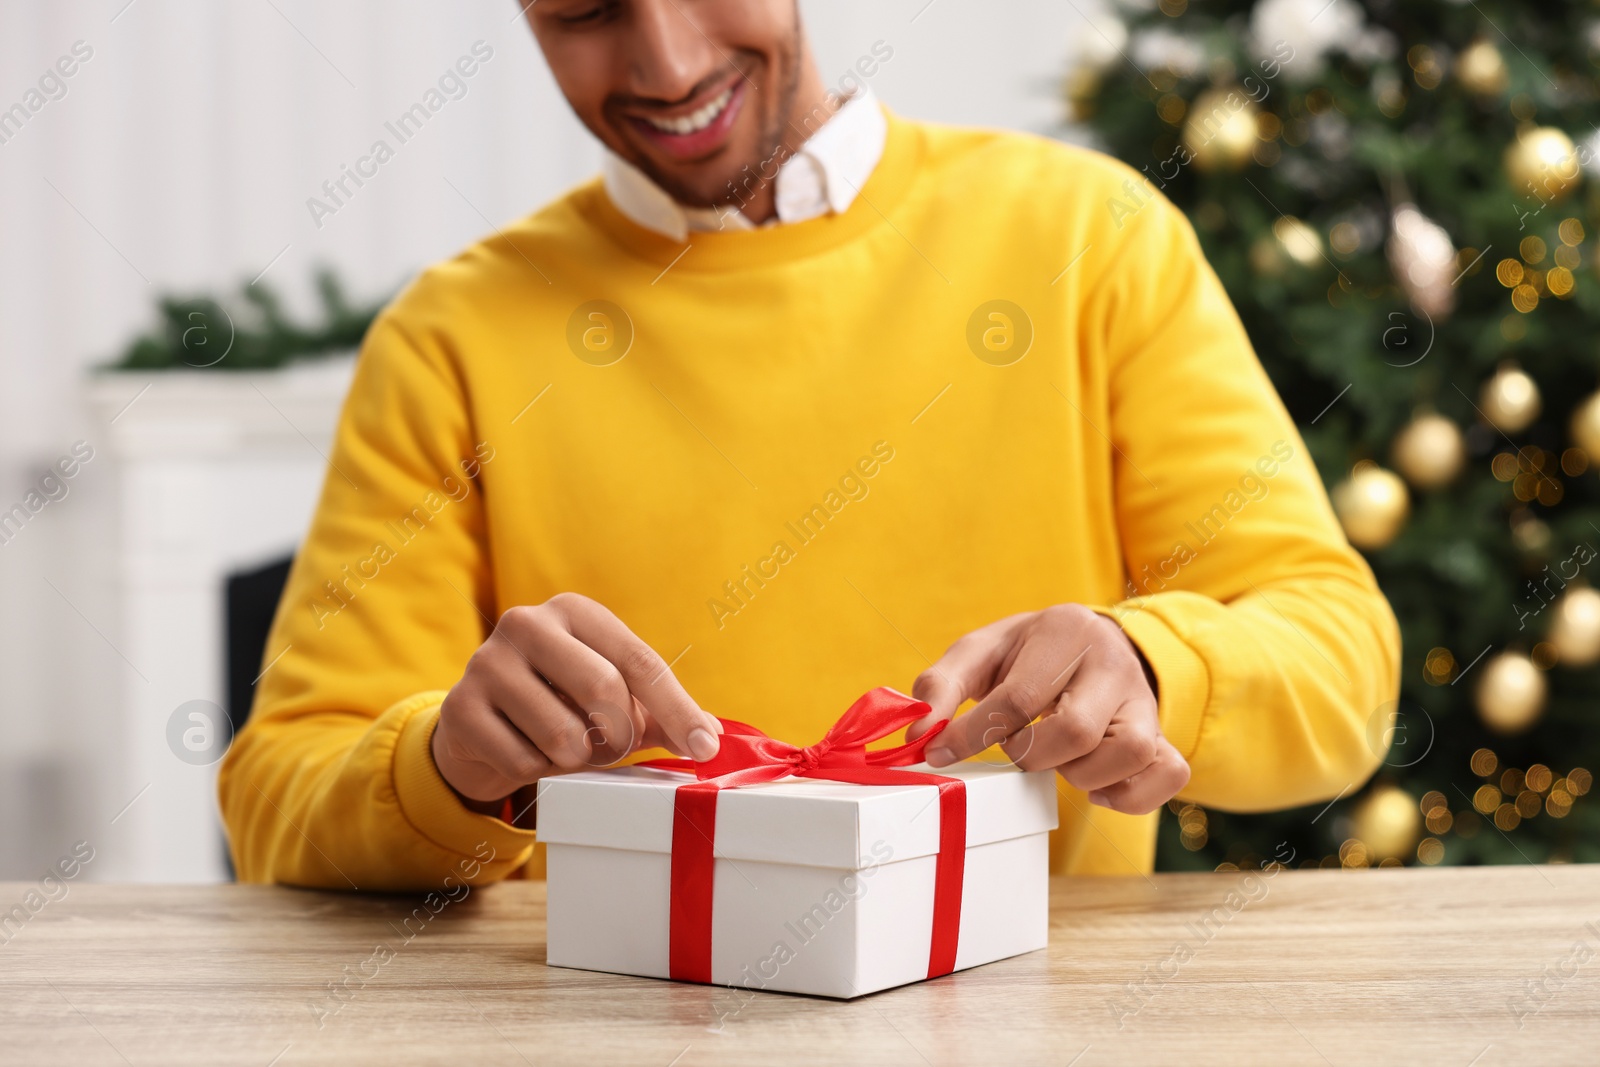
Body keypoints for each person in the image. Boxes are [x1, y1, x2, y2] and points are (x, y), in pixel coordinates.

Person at [219, 0, 1399, 888]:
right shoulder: (451, 337)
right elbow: (277, 792)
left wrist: (1149, 668)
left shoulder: (1091, 241)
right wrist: (444, 766)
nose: (667, 65)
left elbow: (1340, 664)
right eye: (585, 8)